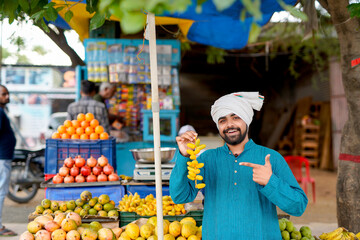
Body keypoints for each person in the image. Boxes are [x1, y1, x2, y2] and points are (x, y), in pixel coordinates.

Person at [170, 92, 308, 240]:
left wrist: (270, 181)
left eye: (236, 117)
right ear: (218, 126)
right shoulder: (207, 159)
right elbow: (180, 196)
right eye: (222, 120)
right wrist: (184, 156)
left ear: (247, 120)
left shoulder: (271, 158)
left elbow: (298, 206)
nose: (229, 124)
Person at [0, 85, 17, 236]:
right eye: (4, 94)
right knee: (0, 192)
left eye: (7, 94)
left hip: (3, 157)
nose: (7, 96)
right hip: (2, 158)